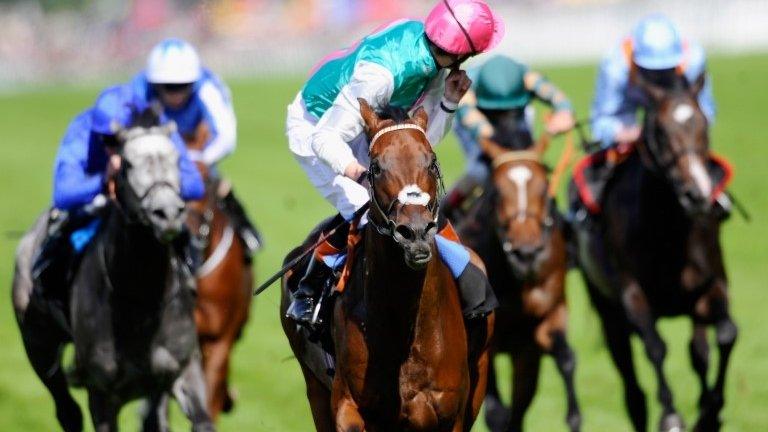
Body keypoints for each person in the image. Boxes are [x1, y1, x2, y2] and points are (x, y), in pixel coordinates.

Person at [284, 0, 505, 325]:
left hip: (370, 127)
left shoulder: (431, 55)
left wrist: (448, 101)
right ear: (463, 53)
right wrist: (358, 174)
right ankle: (308, 289)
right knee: (365, 207)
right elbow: (325, 139)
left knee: (415, 202)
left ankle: (460, 276)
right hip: (316, 127)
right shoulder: (381, 77)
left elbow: (421, 143)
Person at [33, 84, 205, 301]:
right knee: (58, 240)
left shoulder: (158, 127)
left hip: (147, 209)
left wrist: (154, 183)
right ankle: (49, 301)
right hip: (95, 208)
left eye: (122, 142)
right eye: (109, 141)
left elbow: (195, 185)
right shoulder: (82, 128)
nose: (114, 151)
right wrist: (105, 179)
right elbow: (63, 194)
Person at [571, 13, 717, 218]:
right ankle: (584, 216)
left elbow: (707, 111)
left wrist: (680, 131)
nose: (658, 76)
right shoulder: (615, 66)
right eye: (650, 70)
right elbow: (601, 122)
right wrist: (632, 133)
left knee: (698, 163)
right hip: (629, 122)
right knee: (593, 183)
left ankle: (716, 201)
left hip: (677, 127)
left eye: (665, 69)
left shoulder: (693, 59)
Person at [130, 38, 263, 257]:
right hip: (155, 152)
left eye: (182, 86)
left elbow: (226, 137)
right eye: (168, 87)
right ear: (155, 84)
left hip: (196, 150)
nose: (176, 94)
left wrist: (199, 159)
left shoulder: (208, 87)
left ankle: (244, 230)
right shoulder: (138, 89)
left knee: (217, 185)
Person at [443, 54, 575, 219]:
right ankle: (446, 208)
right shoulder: (466, 85)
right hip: (477, 128)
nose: (502, 114)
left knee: (529, 167)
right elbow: (475, 122)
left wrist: (564, 112)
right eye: (498, 111)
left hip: (516, 122)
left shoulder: (527, 77)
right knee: (480, 171)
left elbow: (557, 97)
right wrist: (495, 144)